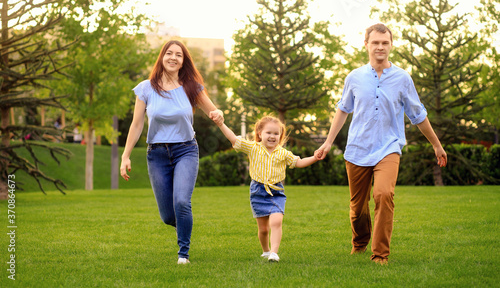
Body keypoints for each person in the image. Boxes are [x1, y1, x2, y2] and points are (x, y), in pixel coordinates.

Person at [315, 23, 447, 265]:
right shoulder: (354, 77)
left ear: (391, 45)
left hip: (389, 147)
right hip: (357, 149)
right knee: (357, 207)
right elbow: (343, 111)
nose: (380, 47)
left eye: (385, 43)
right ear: (366, 45)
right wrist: (327, 142)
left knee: (384, 194)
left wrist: (436, 145)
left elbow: (418, 115)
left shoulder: (402, 79)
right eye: (375, 42)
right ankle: (359, 242)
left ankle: (380, 254)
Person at [120, 40, 224, 265]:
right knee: (168, 216)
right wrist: (125, 155)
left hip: (185, 150)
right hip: (156, 154)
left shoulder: (191, 86)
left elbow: (213, 111)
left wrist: (220, 114)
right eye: (169, 53)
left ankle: (183, 254)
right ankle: (184, 223)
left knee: (182, 202)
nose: (173, 57)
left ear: (183, 61)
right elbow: (137, 125)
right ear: (162, 57)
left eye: (179, 54)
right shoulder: (146, 88)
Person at [216, 115, 319, 262]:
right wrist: (221, 124)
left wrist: (315, 157)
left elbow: (299, 162)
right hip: (258, 191)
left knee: (276, 222)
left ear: (280, 136)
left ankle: (274, 253)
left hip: (276, 191)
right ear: (259, 133)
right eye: (268, 133)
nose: (272, 136)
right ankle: (266, 251)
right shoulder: (253, 148)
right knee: (263, 230)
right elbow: (234, 139)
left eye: (276, 134)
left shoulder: (283, 153)